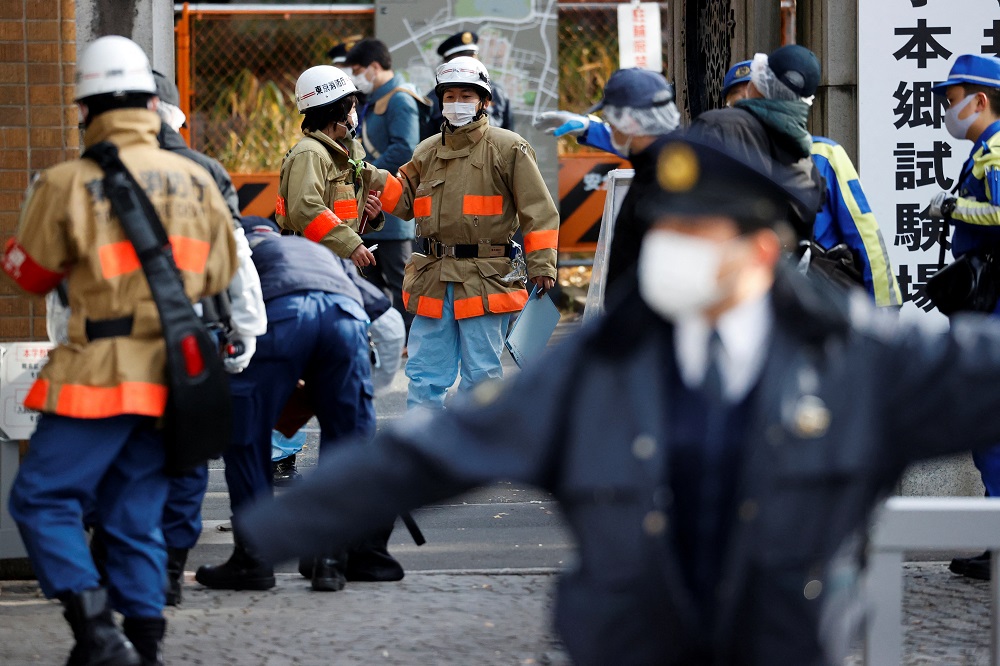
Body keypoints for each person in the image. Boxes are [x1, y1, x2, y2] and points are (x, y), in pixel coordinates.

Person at [237, 133, 1000, 664]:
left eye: (699, 232)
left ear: (761, 251)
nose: (672, 250)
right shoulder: (599, 370)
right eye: (665, 230)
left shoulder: (854, 363)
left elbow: (979, 369)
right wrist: (275, 530)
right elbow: (439, 448)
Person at [3, 36, 236, 666]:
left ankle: (99, 634)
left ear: (87, 107)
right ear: (150, 103)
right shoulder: (199, 177)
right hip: (174, 379)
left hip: (99, 373)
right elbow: (218, 278)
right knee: (134, 517)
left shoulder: (66, 181)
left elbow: (26, 279)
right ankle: (145, 648)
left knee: (41, 499)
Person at [195, 216, 403, 594]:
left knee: (247, 440)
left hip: (278, 318)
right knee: (347, 441)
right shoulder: (322, 253)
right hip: (346, 319)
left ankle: (253, 560)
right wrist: (365, 395)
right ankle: (330, 559)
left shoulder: (233, 253)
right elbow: (388, 324)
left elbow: (209, 330)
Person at [149, 70, 268, 607]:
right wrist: (245, 329)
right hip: (197, 334)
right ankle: (171, 567)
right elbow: (237, 257)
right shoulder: (208, 170)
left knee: (133, 454)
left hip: (119, 342)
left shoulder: (92, 171)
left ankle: (141, 565)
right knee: (188, 456)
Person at [387, 57, 558, 410]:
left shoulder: (510, 148)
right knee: (423, 374)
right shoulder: (427, 151)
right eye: (450, 95)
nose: (456, 103)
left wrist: (543, 267)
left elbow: (538, 211)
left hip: (485, 277)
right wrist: (373, 191)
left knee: (481, 377)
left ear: (484, 101)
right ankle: (424, 454)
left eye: (466, 95)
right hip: (433, 276)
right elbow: (403, 201)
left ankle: (474, 458)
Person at [721, 60, 901, 307]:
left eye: (755, 97)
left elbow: (866, 237)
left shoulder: (823, 154)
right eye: (737, 103)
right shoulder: (724, 169)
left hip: (823, 302)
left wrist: (885, 306)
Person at [926, 54, 1000, 580]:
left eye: (953, 102)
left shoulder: (995, 148)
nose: (948, 112)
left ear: (980, 100)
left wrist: (952, 209)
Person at [532, 68, 681, 291]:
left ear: (629, 122)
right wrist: (588, 127)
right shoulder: (670, 158)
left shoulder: (669, 176)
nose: (610, 128)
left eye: (611, 121)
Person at [689, 44, 824, 240]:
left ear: (762, 82)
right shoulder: (805, 155)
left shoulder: (715, 126)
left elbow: (685, 206)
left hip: (725, 262)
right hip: (776, 266)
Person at [276, 65, 401, 267]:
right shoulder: (311, 153)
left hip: (331, 256)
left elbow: (339, 212)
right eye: (351, 109)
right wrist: (350, 245)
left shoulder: (340, 155)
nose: (354, 115)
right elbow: (306, 209)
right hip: (312, 260)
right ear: (336, 112)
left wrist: (372, 217)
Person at [343, 39, 421, 336]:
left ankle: (411, 335)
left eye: (359, 70)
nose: (356, 76)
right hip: (371, 204)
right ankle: (383, 335)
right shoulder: (377, 99)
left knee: (401, 277)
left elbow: (404, 149)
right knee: (371, 276)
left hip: (392, 204)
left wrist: (363, 173)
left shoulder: (400, 99)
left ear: (375, 67)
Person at [424, 30, 514, 138]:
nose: (469, 63)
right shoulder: (433, 99)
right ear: (447, 63)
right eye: (450, 97)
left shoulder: (498, 93)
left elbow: (508, 135)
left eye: (472, 56)